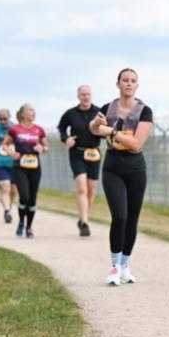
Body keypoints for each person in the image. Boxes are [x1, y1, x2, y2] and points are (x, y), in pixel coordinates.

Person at [89, 68, 153, 285]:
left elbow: (136, 143)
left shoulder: (145, 111)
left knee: (132, 219)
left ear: (137, 86)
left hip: (135, 168)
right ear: (118, 84)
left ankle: (126, 265)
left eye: (133, 81)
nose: (129, 83)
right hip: (113, 166)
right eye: (125, 80)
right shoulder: (108, 108)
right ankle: (114, 266)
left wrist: (112, 132)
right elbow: (95, 130)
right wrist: (97, 124)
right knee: (120, 216)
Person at [58, 84, 102, 237]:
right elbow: (61, 128)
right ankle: (84, 223)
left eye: (88, 94)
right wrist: (66, 139)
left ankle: (83, 217)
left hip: (94, 153)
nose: (86, 97)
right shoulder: (71, 113)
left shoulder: (98, 112)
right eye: (83, 94)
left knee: (91, 190)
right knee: (82, 188)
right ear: (78, 96)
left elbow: (105, 129)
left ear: (91, 95)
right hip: (77, 153)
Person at [2, 103, 48, 239]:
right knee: (24, 197)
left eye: (34, 110)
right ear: (23, 114)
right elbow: (4, 145)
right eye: (30, 110)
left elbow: (46, 147)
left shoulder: (39, 130)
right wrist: (11, 152)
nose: (33, 112)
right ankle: (21, 222)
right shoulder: (15, 130)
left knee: (33, 199)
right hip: (20, 167)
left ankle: (29, 227)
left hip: (35, 167)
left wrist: (42, 148)